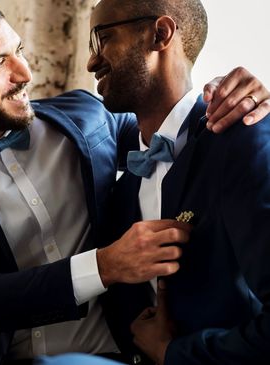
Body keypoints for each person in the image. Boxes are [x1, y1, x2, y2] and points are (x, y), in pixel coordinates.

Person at [0, 1, 269, 365]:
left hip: (119, 353)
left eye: (17, 51)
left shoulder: (86, 116)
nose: (25, 73)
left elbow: (169, 125)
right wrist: (106, 265)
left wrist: (232, 93)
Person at [83, 0, 270, 364]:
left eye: (103, 38)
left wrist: (175, 354)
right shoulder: (120, 189)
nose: (92, 61)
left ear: (160, 34)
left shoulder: (244, 137)